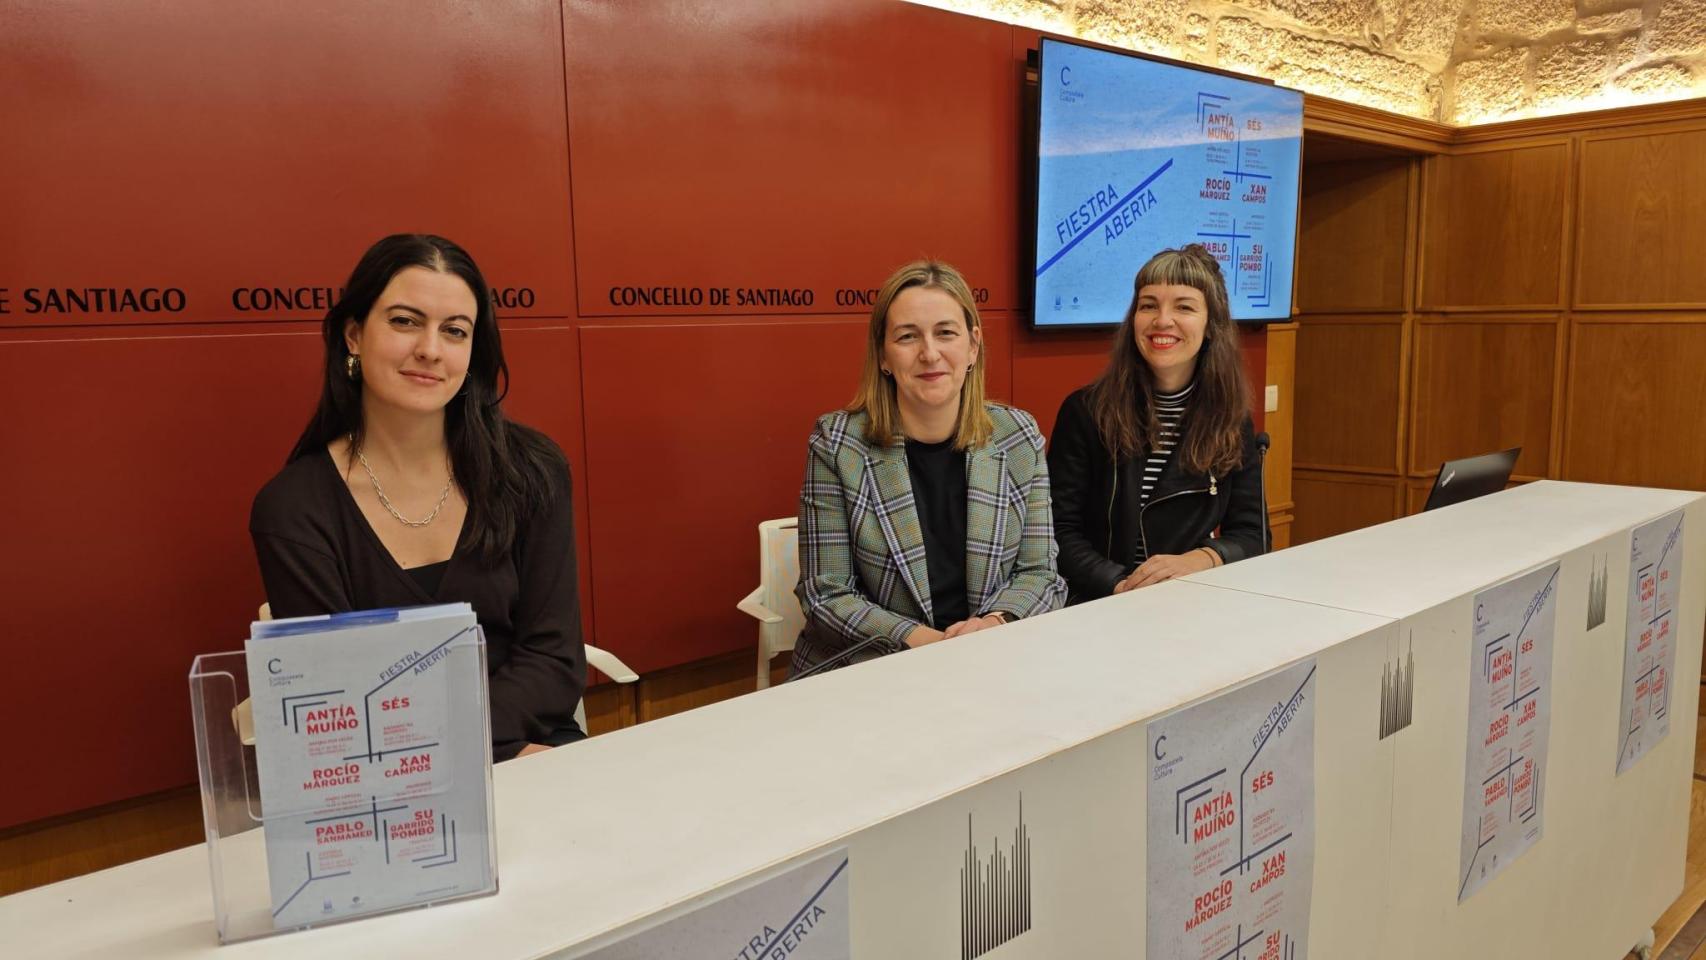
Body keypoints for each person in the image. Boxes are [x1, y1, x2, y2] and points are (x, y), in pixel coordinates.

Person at [250, 234, 585, 760]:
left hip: (533, 745)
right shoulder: (294, 509)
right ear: (354, 335)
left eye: (454, 331)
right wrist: (482, 754)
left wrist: (505, 754)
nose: (430, 349)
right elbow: (338, 706)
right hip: (384, 773)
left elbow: (553, 660)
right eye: (405, 321)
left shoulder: (532, 470)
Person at [789, 261, 1066, 678]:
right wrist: (927, 643)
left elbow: (1040, 574)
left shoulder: (1018, 435)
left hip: (992, 659)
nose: (930, 353)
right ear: (883, 355)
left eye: (946, 333)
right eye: (907, 336)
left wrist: (992, 626)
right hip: (871, 668)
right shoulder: (838, 443)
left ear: (973, 346)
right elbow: (826, 594)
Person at [1048, 243, 1267, 604]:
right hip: (1099, 604)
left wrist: (1203, 558)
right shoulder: (1085, 411)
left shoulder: (1231, 417)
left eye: (1184, 306)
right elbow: (1058, 531)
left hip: (1191, 602)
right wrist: (1121, 585)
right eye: (1148, 305)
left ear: (1211, 324)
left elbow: (1253, 534)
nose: (1162, 320)